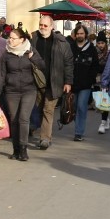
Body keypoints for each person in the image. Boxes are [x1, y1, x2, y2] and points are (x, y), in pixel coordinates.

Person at [0, 28, 46, 161]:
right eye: (9, 37)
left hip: (29, 90)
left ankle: (23, 148)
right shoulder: (6, 54)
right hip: (11, 91)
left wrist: (34, 58)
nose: (10, 40)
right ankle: (15, 150)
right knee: (14, 119)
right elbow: (0, 75)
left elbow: (43, 66)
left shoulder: (30, 51)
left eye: (13, 38)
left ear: (22, 39)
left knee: (23, 118)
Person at [29, 15, 73, 149]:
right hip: (36, 81)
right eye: (40, 25)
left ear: (52, 27)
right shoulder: (33, 39)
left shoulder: (61, 42)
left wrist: (68, 82)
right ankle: (34, 130)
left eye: (45, 25)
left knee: (48, 110)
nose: (42, 28)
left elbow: (68, 63)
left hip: (54, 81)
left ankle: (45, 139)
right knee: (37, 108)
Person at [69, 24, 99, 142]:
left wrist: (91, 78)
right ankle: (78, 127)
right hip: (72, 82)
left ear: (85, 34)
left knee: (82, 106)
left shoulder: (91, 48)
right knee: (75, 107)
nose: (80, 35)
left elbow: (95, 65)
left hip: (86, 84)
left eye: (82, 33)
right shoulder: (71, 47)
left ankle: (79, 132)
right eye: (78, 34)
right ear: (75, 35)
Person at [95, 36, 110, 134]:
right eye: (99, 43)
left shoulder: (109, 53)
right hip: (96, 79)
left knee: (104, 101)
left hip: (106, 80)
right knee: (98, 102)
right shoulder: (94, 53)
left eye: (102, 43)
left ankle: (103, 122)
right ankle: (106, 119)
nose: (100, 45)